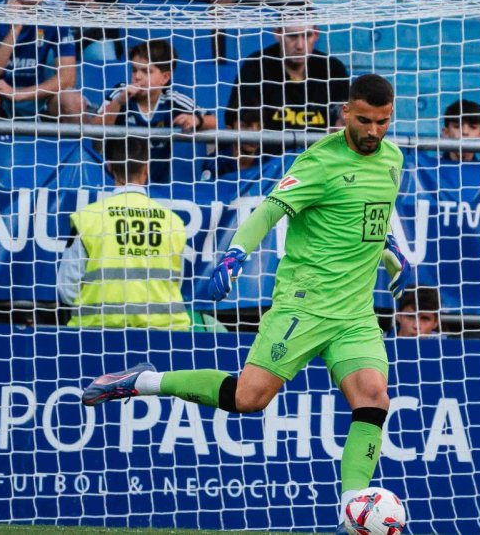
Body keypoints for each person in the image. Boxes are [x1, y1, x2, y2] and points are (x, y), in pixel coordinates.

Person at [82, 74, 414, 531]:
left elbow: (368, 218)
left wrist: (393, 253)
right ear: (345, 113)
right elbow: (268, 211)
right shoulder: (319, 162)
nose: (373, 131)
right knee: (248, 397)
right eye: (364, 120)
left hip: (355, 313)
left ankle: (353, 506)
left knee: (374, 397)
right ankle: (146, 380)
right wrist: (234, 255)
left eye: (382, 122)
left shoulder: (393, 159)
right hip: (304, 305)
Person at [56, 137, 193, 330]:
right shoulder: (173, 222)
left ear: (110, 167)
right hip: (165, 337)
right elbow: (176, 283)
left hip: (96, 336)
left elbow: (67, 289)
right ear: (146, 168)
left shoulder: (88, 218)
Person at [97, 39, 215, 181]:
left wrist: (196, 120)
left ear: (165, 78)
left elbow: (214, 121)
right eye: (134, 70)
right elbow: (95, 128)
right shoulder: (120, 93)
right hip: (113, 183)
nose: (137, 77)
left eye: (146, 71)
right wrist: (118, 102)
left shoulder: (173, 101)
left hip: (157, 189)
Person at [228, 24, 350, 143]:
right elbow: (236, 122)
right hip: (268, 157)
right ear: (278, 34)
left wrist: (342, 121)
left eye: (307, 35)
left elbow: (343, 115)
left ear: (316, 35)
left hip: (320, 156)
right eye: (292, 36)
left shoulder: (333, 69)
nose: (300, 46)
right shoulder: (256, 66)